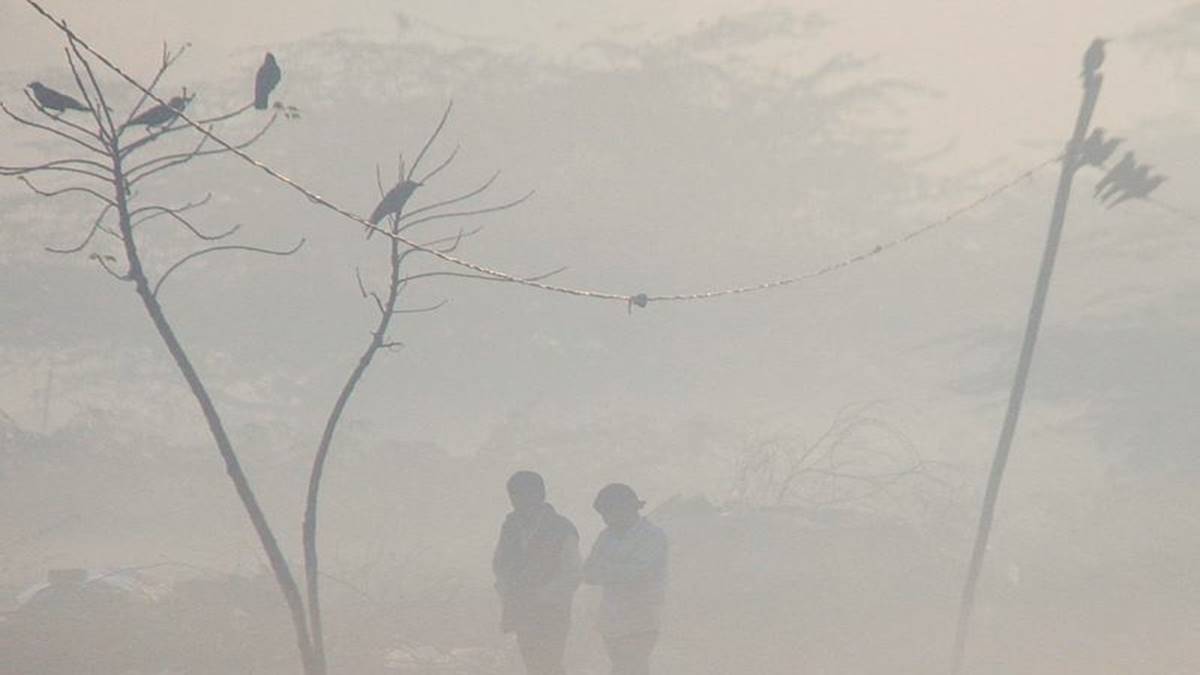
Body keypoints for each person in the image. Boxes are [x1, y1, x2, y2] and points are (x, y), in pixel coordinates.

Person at [493, 471, 582, 675]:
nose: (518, 502)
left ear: (539, 494)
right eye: (514, 496)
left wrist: (543, 595)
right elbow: (500, 564)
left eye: (523, 495)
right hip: (521, 609)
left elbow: (572, 572)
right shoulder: (511, 526)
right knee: (533, 665)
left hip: (552, 611)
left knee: (549, 664)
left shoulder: (561, 528)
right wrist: (507, 590)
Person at [583, 483, 668, 675]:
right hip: (611, 621)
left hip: (642, 619)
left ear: (627, 508)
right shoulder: (605, 536)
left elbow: (638, 573)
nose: (606, 520)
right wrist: (615, 571)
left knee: (633, 667)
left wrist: (606, 570)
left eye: (608, 513)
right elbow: (588, 572)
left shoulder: (652, 536)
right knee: (620, 668)